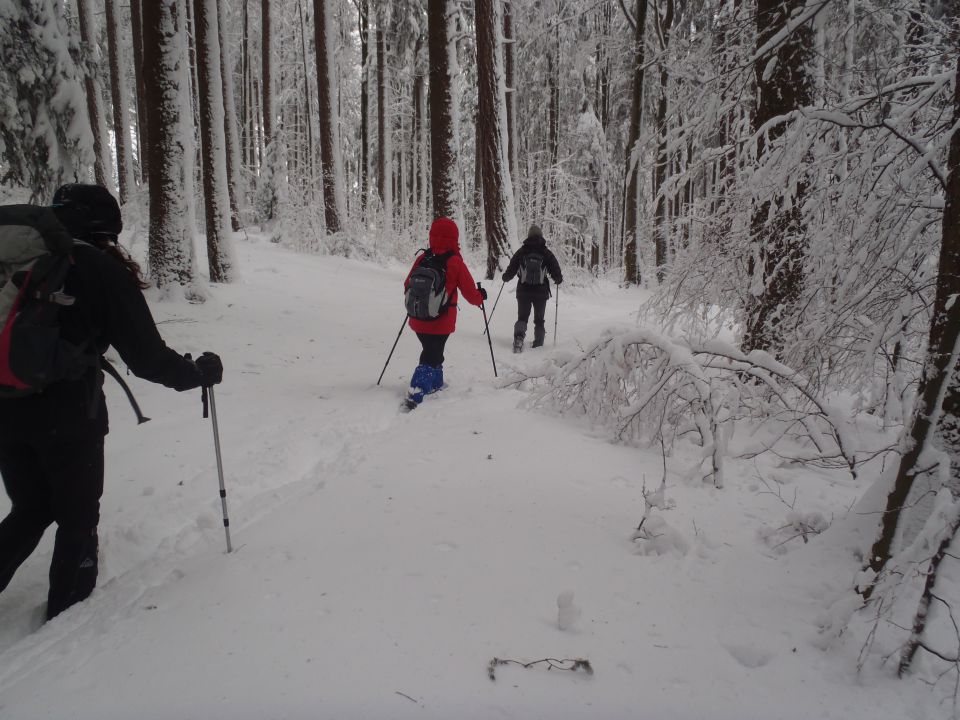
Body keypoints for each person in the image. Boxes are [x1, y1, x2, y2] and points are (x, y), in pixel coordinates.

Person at [0, 183, 223, 620]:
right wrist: (196, 374)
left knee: (31, 506)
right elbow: (147, 357)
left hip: (5, 403)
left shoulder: (14, 259)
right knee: (77, 518)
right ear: (107, 228)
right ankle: (67, 623)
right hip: (68, 414)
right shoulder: (97, 267)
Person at [403, 217, 485, 409]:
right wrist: (481, 298)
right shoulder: (455, 261)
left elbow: (407, 284)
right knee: (431, 354)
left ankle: (436, 382)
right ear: (454, 238)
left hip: (417, 318)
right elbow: (470, 294)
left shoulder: (423, 258)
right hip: (441, 321)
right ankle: (417, 389)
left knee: (433, 350)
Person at [501, 224, 563, 352]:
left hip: (523, 291)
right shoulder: (546, 252)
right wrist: (558, 278)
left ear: (528, 236)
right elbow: (555, 269)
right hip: (541, 292)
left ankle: (518, 340)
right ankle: (539, 344)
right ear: (541, 236)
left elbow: (512, 267)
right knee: (539, 320)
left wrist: (506, 277)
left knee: (522, 317)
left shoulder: (522, 251)